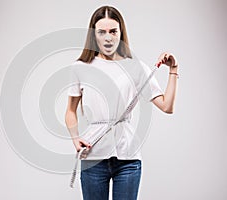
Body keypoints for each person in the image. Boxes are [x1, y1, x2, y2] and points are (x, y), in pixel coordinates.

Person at [65, 5, 178, 200]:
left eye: (113, 31)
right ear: (94, 35)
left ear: (120, 32)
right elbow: (70, 111)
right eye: (101, 32)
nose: (108, 38)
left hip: (128, 159)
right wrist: (75, 138)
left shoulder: (135, 67)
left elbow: (167, 106)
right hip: (93, 157)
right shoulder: (80, 68)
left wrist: (173, 69)